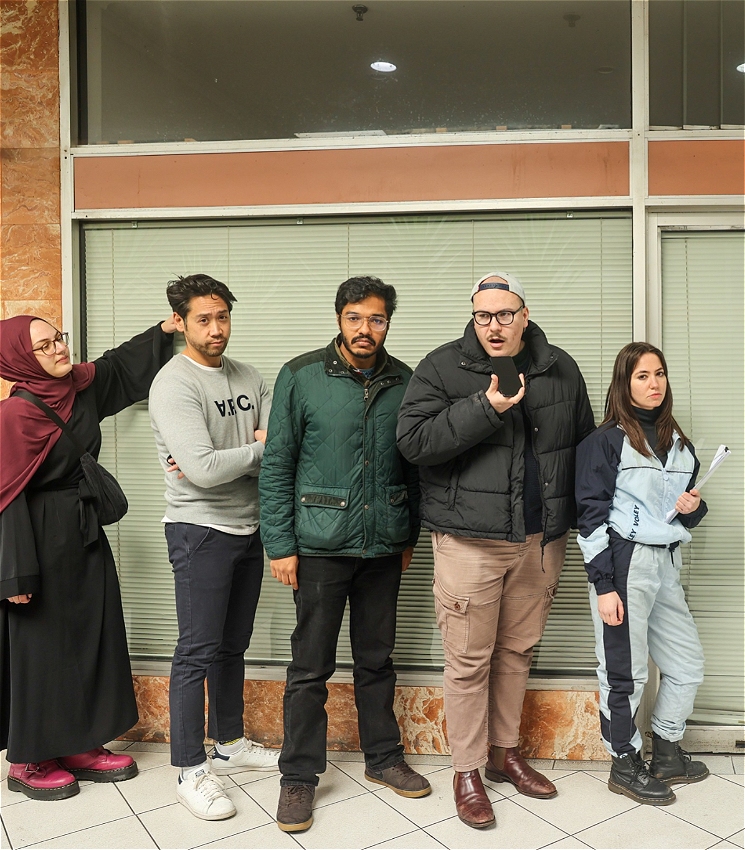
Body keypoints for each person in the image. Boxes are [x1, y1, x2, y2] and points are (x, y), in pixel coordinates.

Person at [397, 272, 595, 828]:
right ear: (473, 316)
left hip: (539, 541)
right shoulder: (442, 367)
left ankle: (505, 753)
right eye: (483, 315)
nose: (494, 326)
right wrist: (487, 406)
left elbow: (581, 447)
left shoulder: (560, 368)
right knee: (467, 661)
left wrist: (584, 526)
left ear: (524, 316)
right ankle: (466, 771)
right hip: (469, 543)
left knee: (517, 652)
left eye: (505, 314)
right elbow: (414, 444)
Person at [259, 275, 430, 833]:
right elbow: (278, 463)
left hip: (383, 547)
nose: (366, 329)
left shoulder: (406, 380)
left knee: (377, 660)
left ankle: (383, 757)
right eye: (356, 317)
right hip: (319, 547)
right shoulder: (302, 375)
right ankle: (299, 777)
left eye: (376, 319)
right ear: (339, 319)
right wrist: (281, 544)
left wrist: (407, 536)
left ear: (387, 324)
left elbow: (415, 465)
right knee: (310, 668)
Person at [0, 313, 175, 801]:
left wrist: (163, 330)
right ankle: (30, 759)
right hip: (34, 540)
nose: (59, 348)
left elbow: (119, 367)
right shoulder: (14, 416)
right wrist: (13, 572)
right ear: (18, 357)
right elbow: (5, 496)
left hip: (82, 534)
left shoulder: (79, 388)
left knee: (90, 636)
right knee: (41, 649)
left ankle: (78, 743)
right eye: (44, 345)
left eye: (59, 337)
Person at [149, 274, 278, 822]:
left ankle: (228, 742)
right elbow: (201, 472)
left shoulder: (249, 376)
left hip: (249, 527)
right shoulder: (173, 384)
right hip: (198, 529)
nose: (216, 328)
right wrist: (253, 450)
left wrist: (242, 454)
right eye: (203, 318)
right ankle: (188, 767)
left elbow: (280, 448)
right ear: (180, 321)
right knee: (197, 650)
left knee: (232, 645)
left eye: (222, 316)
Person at [576, 341, 710, 806]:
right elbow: (589, 519)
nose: (654, 384)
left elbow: (683, 512)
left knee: (687, 666)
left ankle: (668, 751)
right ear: (624, 384)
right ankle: (625, 762)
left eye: (659, 374)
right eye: (642, 376)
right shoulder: (604, 442)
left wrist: (693, 509)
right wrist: (604, 586)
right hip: (624, 563)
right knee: (623, 672)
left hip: (667, 563)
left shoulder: (680, 444)